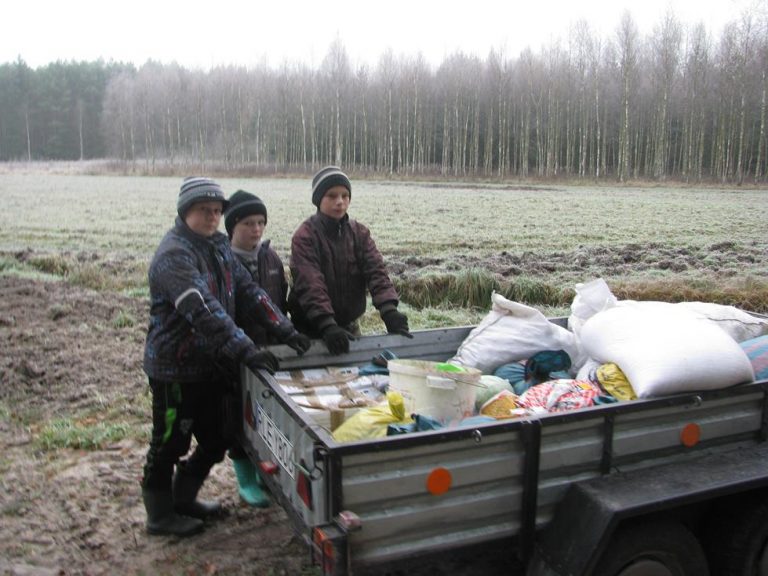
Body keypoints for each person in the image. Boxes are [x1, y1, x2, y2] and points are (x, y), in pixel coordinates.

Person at [141, 177, 310, 537]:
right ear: (186, 211)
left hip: (212, 364)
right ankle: (159, 515)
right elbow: (204, 311)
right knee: (169, 441)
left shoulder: (218, 247)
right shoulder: (175, 255)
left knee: (219, 436)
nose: (213, 218)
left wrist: (285, 330)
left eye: (217, 211)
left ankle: (183, 498)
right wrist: (245, 348)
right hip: (176, 367)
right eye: (205, 211)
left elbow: (250, 293)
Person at [288, 166, 411, 355]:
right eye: (332, 196)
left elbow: (376, 272)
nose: (340, 202)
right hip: (311, 329)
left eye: (345, 196)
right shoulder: (305, 237)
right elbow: (310, 283)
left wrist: (389, 310)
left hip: (349, 326)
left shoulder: (359, 233)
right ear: (318, 200)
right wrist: (326, 324)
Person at [223, 189, 292, 507]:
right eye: (248, 222)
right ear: (232, 226)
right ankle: (246, 481)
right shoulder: (222, 262)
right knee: (239, 417)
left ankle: (268, 473)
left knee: (269, 416)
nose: (256, 229)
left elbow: (282, 301)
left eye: (261, 222)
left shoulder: (271, 258)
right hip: (235, 355)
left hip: (271, 351)